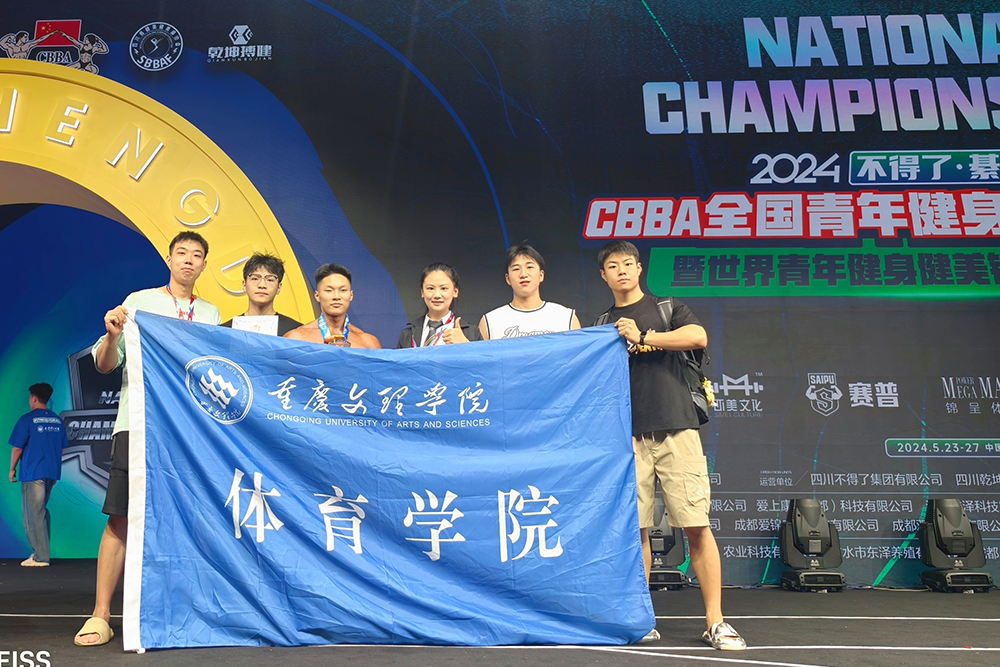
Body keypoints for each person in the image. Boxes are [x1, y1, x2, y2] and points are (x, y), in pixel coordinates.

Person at [595, 240, 745, 651]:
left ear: (639, 269)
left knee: (696, 525)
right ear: (604, 276)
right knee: (637, 531)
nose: (622, 270)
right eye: (613, 265)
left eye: (628, 263)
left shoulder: (667, 308)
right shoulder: (602, 323)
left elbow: (698, 336)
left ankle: (715, 622)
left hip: (677, 429)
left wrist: (644, 335)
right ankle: (641, 620)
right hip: (628, 439)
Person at [75, 231, 221, 647]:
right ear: (169, 260)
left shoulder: (211, 314)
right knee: (121, 517)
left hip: (189, 434)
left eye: (197, 255)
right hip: (138, 426)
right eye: (181, 253)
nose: (188, 260)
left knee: (188, 520)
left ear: (204, 265)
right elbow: (105, 365)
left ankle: (182, 611)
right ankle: (101, 614)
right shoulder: (138, 302)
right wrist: (112, 335)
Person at [8, 383, 69, 568]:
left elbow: (17, 448)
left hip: (33, 472)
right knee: (41, 511)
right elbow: (61, 449)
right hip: (51, 472)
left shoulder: (27, 419)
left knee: (32, 514)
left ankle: (41, 556)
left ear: (33, 398)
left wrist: (12, 469)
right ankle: (42, 553)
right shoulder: (57, 421)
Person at [478, 244, 580, 340]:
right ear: (508, 279)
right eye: (516, 269)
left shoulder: (565, 317)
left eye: (530, 267)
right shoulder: (490, 322)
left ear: (541, 275)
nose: (523, 274)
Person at [285, 264, 381, 349]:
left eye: (343, 290)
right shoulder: (296, 339)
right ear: (317, 296)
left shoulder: (369, 343)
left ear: (351, 295)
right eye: (329, 290)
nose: (336, 296)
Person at [397, 263, 479, 348]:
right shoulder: (408, 334)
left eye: (444, 288)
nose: (437, 295)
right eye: (430, 288)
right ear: (422, 292)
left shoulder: (472, 332)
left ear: (455, 292)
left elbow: (482, 356)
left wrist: (465, 344)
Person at [221, 252, 301, 336]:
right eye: (255, 279)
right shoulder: (225, 332)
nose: (262, 285)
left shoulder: (295, 332)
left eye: (270, 280)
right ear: (244, 285)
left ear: (279, 287)